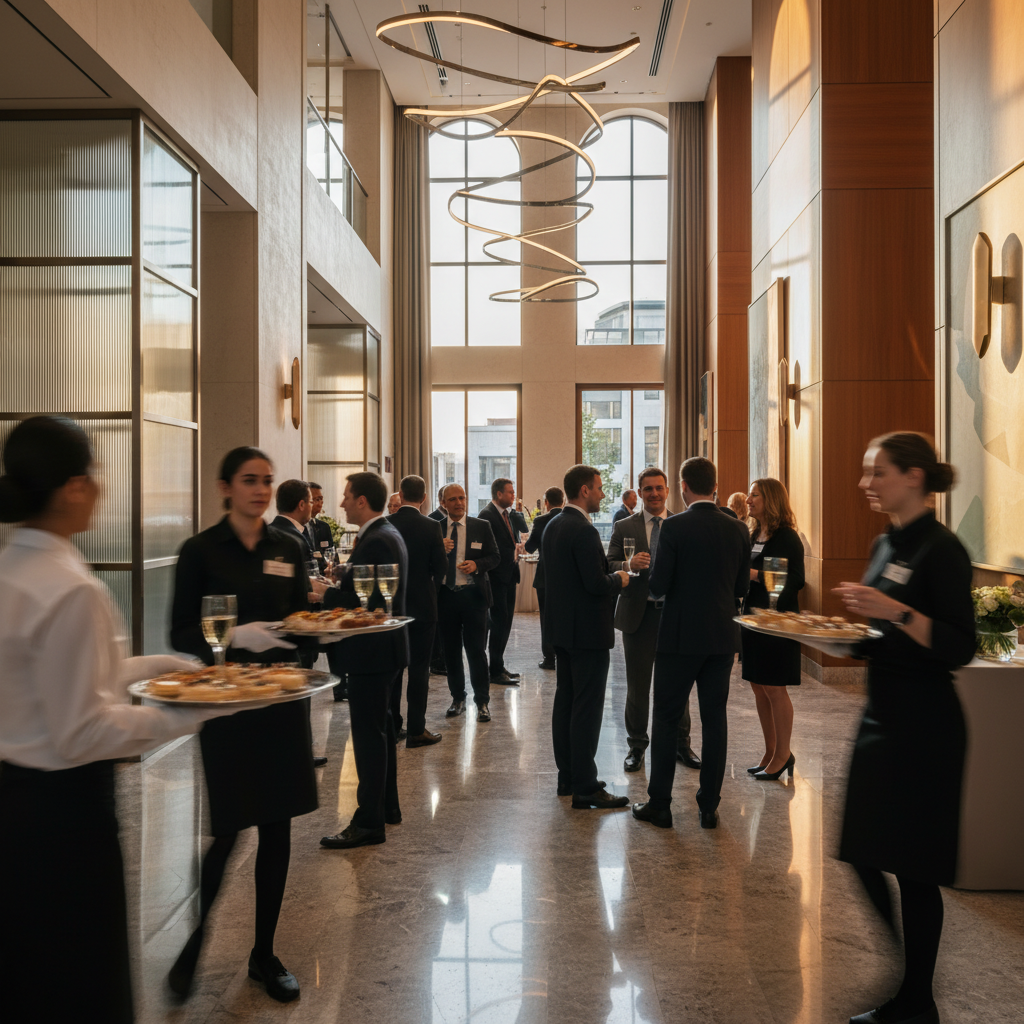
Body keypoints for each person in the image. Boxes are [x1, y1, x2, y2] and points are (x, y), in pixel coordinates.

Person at [0, 417, 233, 1024]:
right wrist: (185, 716)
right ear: (74, 488)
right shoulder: (68, 588)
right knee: (79, 982)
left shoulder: (13, 570)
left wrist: (156, 668)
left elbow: (56, 683)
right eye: (95, 476)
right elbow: (81, 731)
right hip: (61, 819)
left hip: (13, 805)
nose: (101, 490)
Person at [832, 433, 974, 1024]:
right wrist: (845, 639)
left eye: (878, 472)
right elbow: (882, 633)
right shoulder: (885, 542)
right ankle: (906, 975)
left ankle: (917, 999)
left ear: (914, 477)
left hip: (926, 725)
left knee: (914, 871)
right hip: (882, 715)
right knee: (860, 848)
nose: (865, 484)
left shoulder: (943, 549)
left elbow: (959, 646)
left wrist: (893, 611)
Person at [169, 446, 319, 1002]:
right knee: (229, 830)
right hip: (229, 705)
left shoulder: (288, 546)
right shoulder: (200, 551)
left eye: (266, 481)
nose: (260, 490)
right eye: (249, 480)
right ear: (225, 487)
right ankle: (197, 940)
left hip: (280, 703)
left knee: (277, 831)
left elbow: (300, 619)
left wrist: (323, 630)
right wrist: (235, 637)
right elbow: (181, 632)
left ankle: (264, 954)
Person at [632, 457, 750, 831]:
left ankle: (660, 805)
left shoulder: (674, 526)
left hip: (679, 637)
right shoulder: (738, 528)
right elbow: (742, 588)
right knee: (715, 720)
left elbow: (658, 585)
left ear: (682, 487)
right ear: (715, 486)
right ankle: (709, 807)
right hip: (722, 637)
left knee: (666, 717)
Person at [321, 472, 411, 849]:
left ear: (361, 501)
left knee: (369, 736)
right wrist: (343, 576)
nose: (341, 503)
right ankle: (387, 807)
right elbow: (367, 586)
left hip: (371, 651)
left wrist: (321, 595)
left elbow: (366, 606)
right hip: (385, 649)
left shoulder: (376, 539)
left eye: (346, 496)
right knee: (382, 730)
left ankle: (369, 821)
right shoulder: (385, 533)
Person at [542, 464, 631, 809]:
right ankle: (585, 786)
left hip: (562, 630)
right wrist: (620, 579)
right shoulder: (584, 530)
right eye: (599, 488)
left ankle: (567, 776)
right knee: (587, 709)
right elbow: (595, 584)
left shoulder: (553, 524)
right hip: (588, 633)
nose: (602, 494)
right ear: (584, 490)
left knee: (566, 702)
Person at [607, 467, 700, 774]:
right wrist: (627, 564)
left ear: (668, 490)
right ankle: (636, 746)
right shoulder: (624, 525)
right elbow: (608, 563)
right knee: (637, 687)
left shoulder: (682, 524)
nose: (655, 494)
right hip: (639, 616)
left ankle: (681, 745)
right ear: (640, 492)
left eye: (659, 488)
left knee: (678, 686)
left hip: (675, 616)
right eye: (648, 489)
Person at [741, 478, 805, 779]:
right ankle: (770, 751)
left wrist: (755, 575)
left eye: (754, 495)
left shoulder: (786, 537)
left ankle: (784, 754)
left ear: (771, 500)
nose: (748, 500)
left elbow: (794, 581)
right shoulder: (754, 533)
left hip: (777, 621)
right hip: (754, 617)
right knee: (758, 685)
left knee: (774, 687)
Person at [386, 474, 447, 748]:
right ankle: (416, 730)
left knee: (394, 669)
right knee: (420, 670)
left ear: (400, 495)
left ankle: (393, 726)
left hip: (392, 608)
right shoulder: (432, 526)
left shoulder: (385, 524)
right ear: (424, 498)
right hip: (423, 606)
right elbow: (441, 568)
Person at [435, 484, 500, 721]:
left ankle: (482, 702)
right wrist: (438, 549)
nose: (459, 503)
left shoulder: (481, 526)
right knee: (451, 652)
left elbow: (495, 557)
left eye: (462, 498)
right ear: (443, 503)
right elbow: (424, 561)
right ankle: (457, 699)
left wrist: (477, 565)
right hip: (446, 596)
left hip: (474, 597)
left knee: (476, 651)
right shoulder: (435, 528)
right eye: (452, 499)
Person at [478, 477, 528, 685]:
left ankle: (498, 665)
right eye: (510, 492)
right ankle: (494, 671)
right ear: (498, 494)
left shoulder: (508, 514)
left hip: (509, 575)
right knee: (498, 623)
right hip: (496, 578)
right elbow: (486, 549)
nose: (513, 495)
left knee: (506, 623)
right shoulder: (487, 515)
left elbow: (514, 538)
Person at [524, 485, 563, 669]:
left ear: (546, 503)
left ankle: (549, 658)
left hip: (545, 576)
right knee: (563, 616)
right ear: (563, 501)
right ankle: (564, 655)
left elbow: (530, 548)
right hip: (565, 577)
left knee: (546, 618)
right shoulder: (570, 518)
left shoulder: (540, 521)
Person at [270, 478, 316, 559]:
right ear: (301, 505)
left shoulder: (264, 533)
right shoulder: (296, 540)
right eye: (311, 502)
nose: (312, 506)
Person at [305, 481, 334, 561]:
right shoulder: (298, 527)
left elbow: (332, 555)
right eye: (317, 499)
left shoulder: (324, 527)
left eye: (321, 499)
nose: (321, 503)